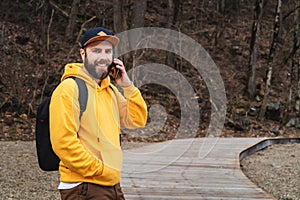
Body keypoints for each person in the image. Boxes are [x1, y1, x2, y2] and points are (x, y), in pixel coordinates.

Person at [49, 27, 148, 200]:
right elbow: (63, 143)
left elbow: (137, 120)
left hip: (110, 183)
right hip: (84, 186)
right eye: (96, 50)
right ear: (83, 54)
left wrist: (127, 85)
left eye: (107, 51)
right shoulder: (69, 89)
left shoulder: (110, 89)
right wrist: (101, 170)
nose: (103, 56)